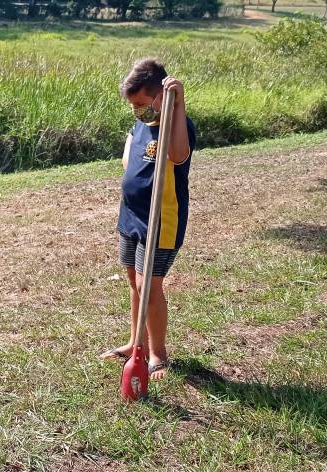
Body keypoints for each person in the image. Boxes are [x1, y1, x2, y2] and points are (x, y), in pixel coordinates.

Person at [99, 59, 197, 380]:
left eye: (141, 104)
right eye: (133, 105)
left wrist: (178, 104)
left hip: (159, 220)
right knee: (133, 281)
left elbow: (178, 155)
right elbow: (129, 158)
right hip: (131, 215)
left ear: (160, 97)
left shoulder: (176, 125)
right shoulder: (140, 124)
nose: (137, 111)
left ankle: (157, 354)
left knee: (149, 287)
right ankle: (135, 342)